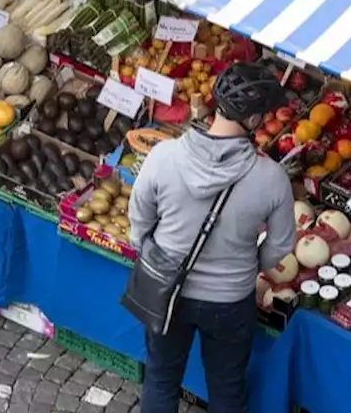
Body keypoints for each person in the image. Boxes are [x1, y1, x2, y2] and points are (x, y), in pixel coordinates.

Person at [128, 61, 298, 413]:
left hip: (167, 291)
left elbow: (139, 219)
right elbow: (281, 244)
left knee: (160, 380)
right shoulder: (271, 177)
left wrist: (151, 252)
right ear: (252, 120)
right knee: (227, 388)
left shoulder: (163, 156)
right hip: (230, 301)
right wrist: (249, 266)